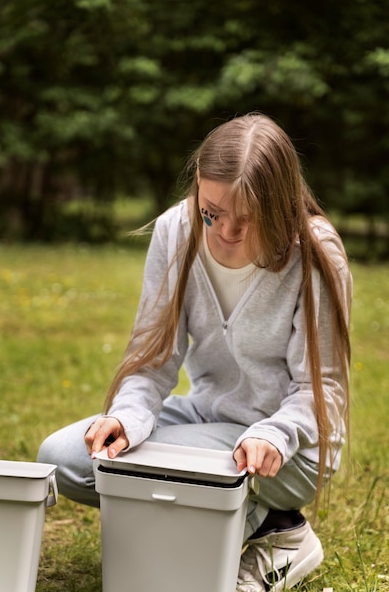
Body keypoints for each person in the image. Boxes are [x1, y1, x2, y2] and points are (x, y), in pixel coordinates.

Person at [38, 112, 352, 591]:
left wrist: (274, 435)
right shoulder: (174, 232)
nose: (224, 232)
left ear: (281, 205)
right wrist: (126, 419)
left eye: (247, 219)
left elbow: (322, 388)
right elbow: (152, 360)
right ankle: (270, 528)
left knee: (169, 482)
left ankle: (264, 533)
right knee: (65, 458)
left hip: (290, 452)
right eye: (212, 212)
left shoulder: (316, 254)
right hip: (207, 422)